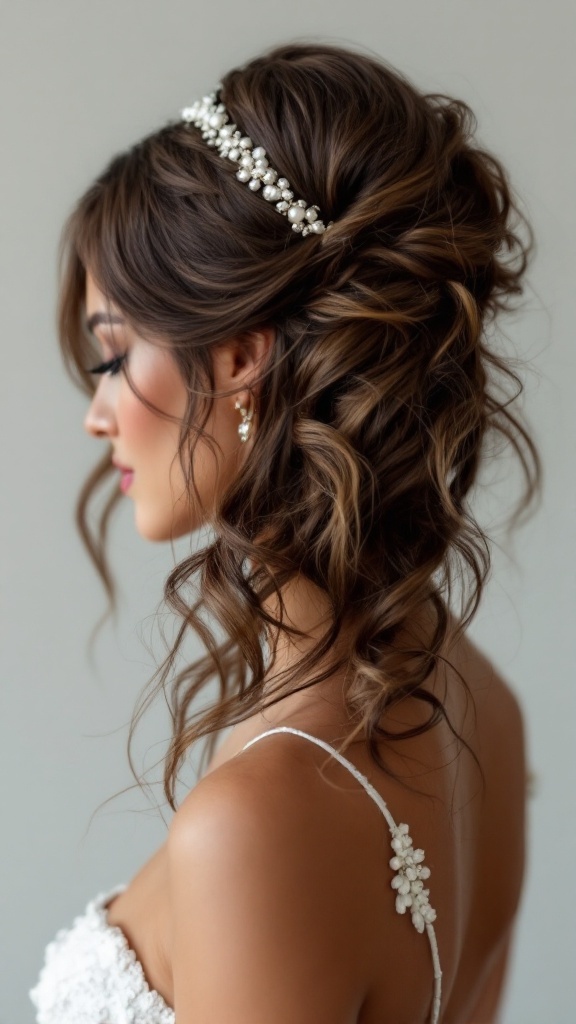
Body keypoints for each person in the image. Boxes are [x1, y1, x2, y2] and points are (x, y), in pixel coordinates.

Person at [30, 41, 539, 1024]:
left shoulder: (255, 824)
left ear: (240, 357)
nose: (96, 415)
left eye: (114, 352)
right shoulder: (482, 700)